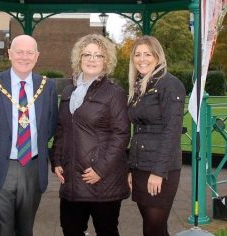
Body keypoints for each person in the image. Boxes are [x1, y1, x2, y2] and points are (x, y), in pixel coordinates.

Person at [0, 34, 58, 236]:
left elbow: (50, 125)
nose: (24, 57)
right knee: (1, 229)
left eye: (29, 53)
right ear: (10, 54)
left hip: (33, 168)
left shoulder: (47, 86)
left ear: (37, 56)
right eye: (19, 52)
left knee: (25, 228)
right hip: (1, 167)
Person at [50, 34, 130, 236]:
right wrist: (57, 160)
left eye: (98, 55)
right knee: (70, 229)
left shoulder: (114, 93)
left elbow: (121, 135)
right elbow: (61, 129)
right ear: (79, 58)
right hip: (71, 179)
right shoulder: (69, 92)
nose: (92, 59)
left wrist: (100, 169)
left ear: (106, 61)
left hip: (102, 180)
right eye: (87, 54)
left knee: (106, 230)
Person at [127, 36, 186, 236]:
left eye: (147, 54)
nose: (142, 59)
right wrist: (130, 168)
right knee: (154, 228)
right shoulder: (140, 86)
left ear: (157, 56)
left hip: (160, 169)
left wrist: (158, 172)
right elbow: (139, 130)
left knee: (154, 228)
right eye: (137, 54)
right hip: (140, 166)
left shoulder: (170, 84)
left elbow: (172, 130)